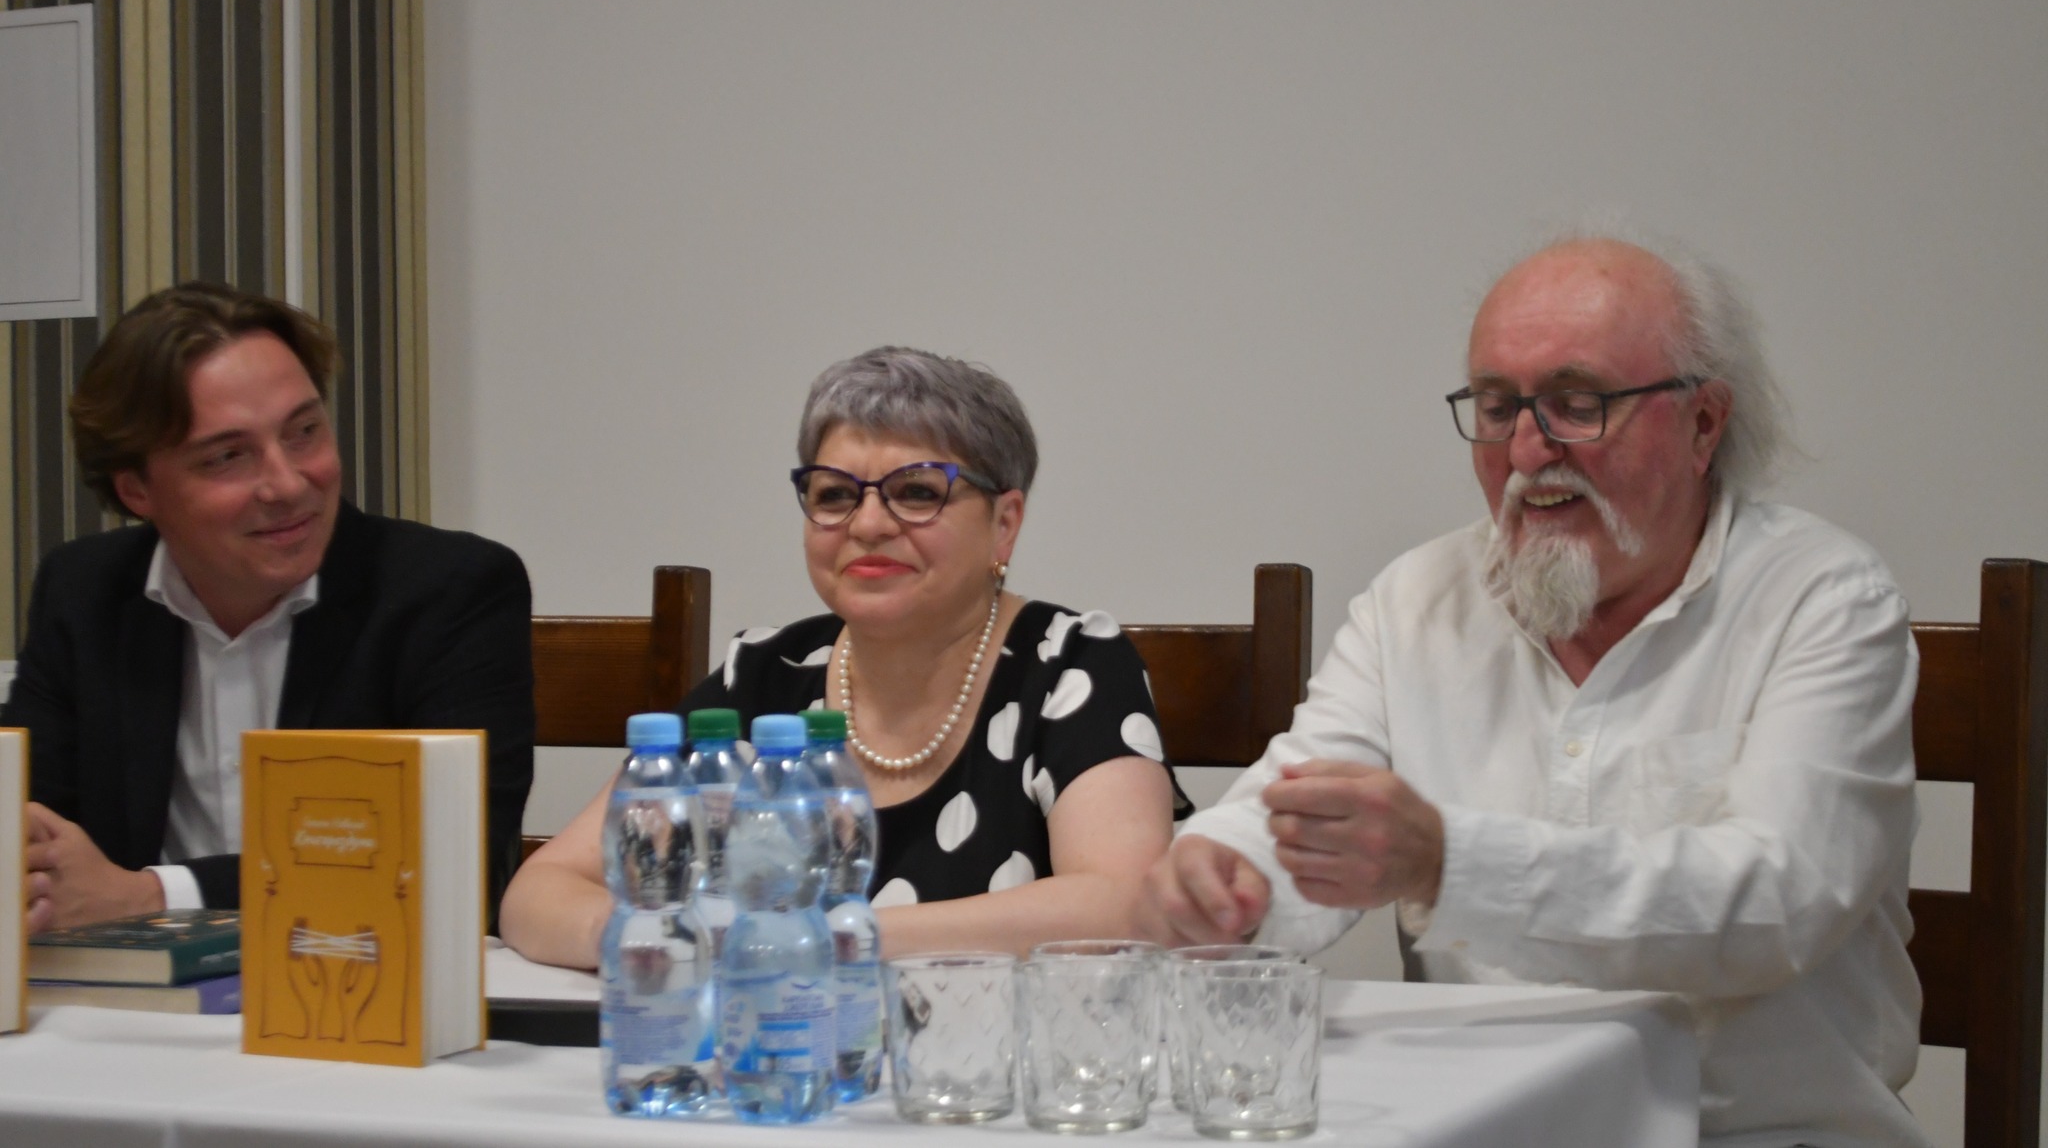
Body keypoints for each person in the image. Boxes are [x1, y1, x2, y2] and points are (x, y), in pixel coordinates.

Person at [1138, 236, 1925, 1148]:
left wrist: (1448, 864)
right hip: (1483, 1126)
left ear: (1704, 422)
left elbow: (1775, 903)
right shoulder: (1414, 601)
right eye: (1497, 405)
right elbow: (1297, 809)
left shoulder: (1823, 598)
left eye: (1577, 404)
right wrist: (1223, 880)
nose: (1525, 449)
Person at [503, 346, 1185, 966]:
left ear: (1004, 524)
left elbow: (1123, 903)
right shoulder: (765, 673)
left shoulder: (1069, 664)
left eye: (917, 492)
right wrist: (663, 941)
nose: (868, 524)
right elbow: (541, 892)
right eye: (834, 494)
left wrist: (822, 942)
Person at [4, 283, 534, 932]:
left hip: (355, 969)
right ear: (137, 489)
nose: (287, 483)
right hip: (131, 982)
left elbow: (456, 857)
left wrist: (151, 894)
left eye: (304, 431)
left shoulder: (450, 590)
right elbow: (30, 828)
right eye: (229, 456)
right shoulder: (84, 591)